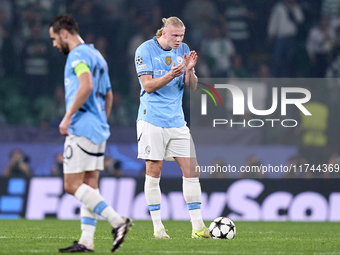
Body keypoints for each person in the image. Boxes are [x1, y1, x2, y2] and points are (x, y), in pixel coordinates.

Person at [49, 14, 131, 253]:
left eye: (54, 38)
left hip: (81, 126)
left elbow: (86, 85)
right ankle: (87, 241)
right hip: (98, 127)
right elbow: (109, 96)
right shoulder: (98, 56)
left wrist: (67, 117)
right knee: (89, 185)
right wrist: (101, 122)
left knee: (71, 185)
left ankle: (118, 221)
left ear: (64, 33)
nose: (54, 44)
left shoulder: (77, 55)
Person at [134, 17, 210, 239]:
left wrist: (189, 71)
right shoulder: (144, 50)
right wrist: (171, 74)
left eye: (181, 36)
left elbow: (192, 87)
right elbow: (147, 86)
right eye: (175, 35)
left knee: (192, 170)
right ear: (163, 33)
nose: (179, 40)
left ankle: (198, 227)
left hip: (177, 121)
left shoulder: (183, 50)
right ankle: (158, 228)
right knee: (154, 171)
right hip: (152, 120)